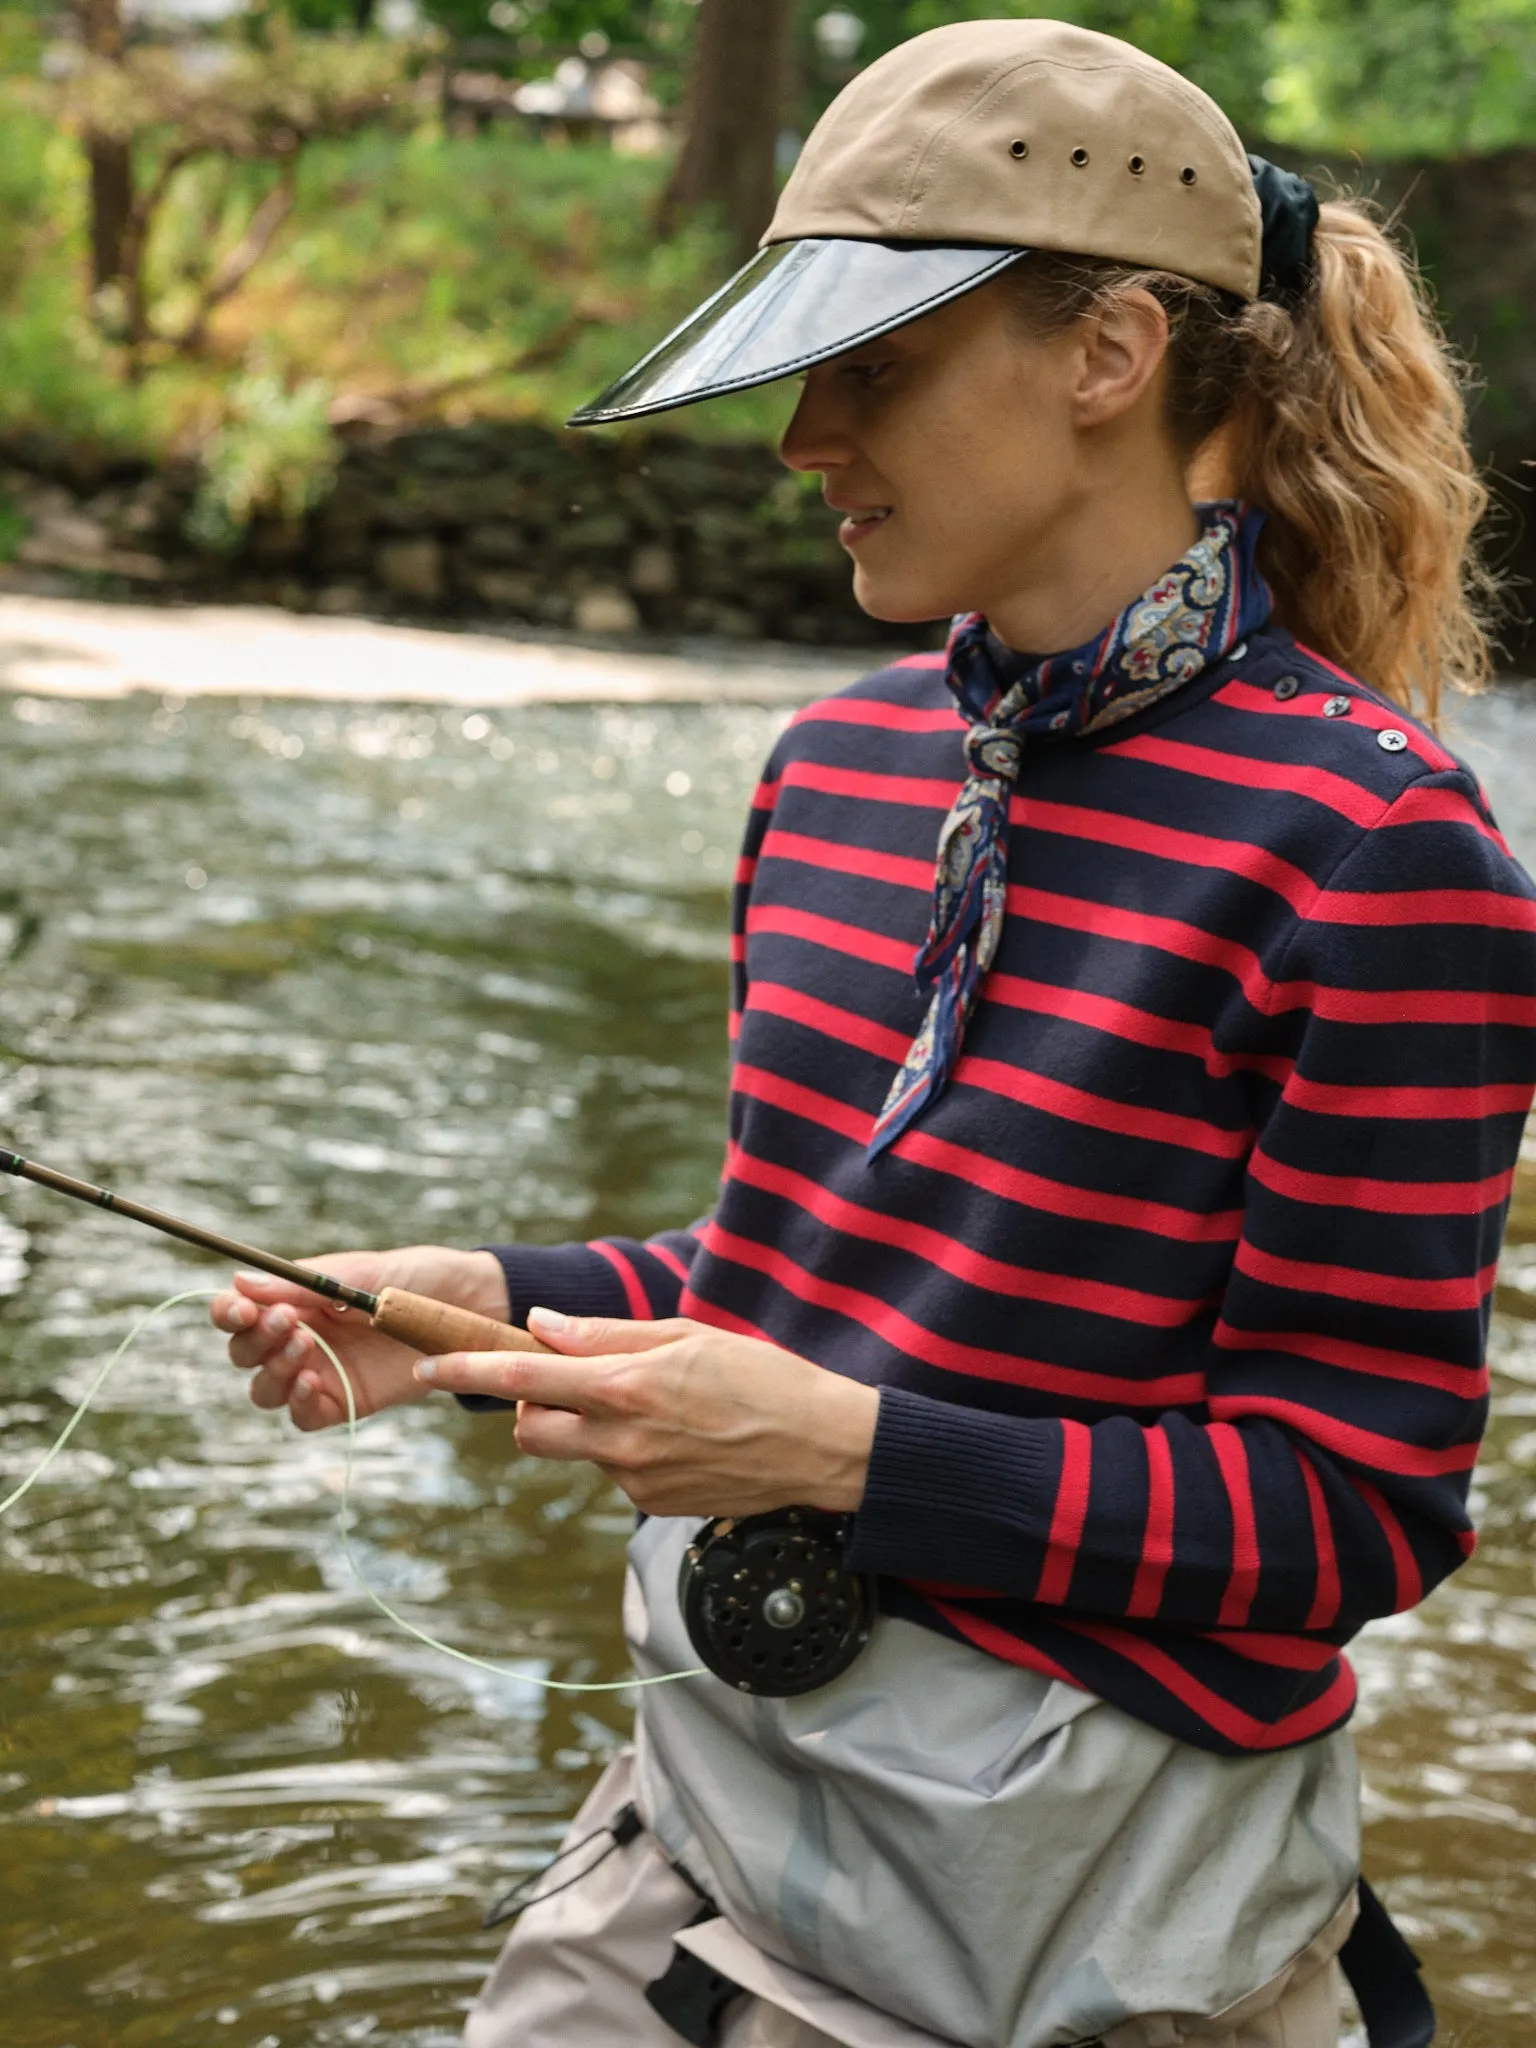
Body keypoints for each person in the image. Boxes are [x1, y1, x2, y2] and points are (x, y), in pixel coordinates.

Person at [212, 20, 1536, 2048]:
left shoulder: (1375, 848)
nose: (801, 440)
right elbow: (820, 1276)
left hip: (1096, 1909)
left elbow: (1354, 1504)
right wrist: (491, 1310)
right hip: (730, 1819)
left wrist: (849, 1460)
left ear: (1105, 356)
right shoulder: (829, 768)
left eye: (875, 365)